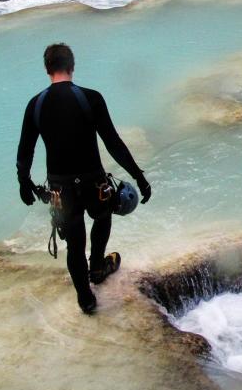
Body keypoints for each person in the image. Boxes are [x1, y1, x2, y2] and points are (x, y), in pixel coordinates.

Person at [16, 43, 151, 314]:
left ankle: (85, 299)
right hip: (94, 182)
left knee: (74, 243)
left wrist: (24, 183)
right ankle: (98, 267)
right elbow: (114, 143)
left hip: (60, 188)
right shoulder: (91, 98)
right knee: (102, 217)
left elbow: (25, 151)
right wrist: (139, 177)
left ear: (47, 69)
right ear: (72, 67)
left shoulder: (36, 105)